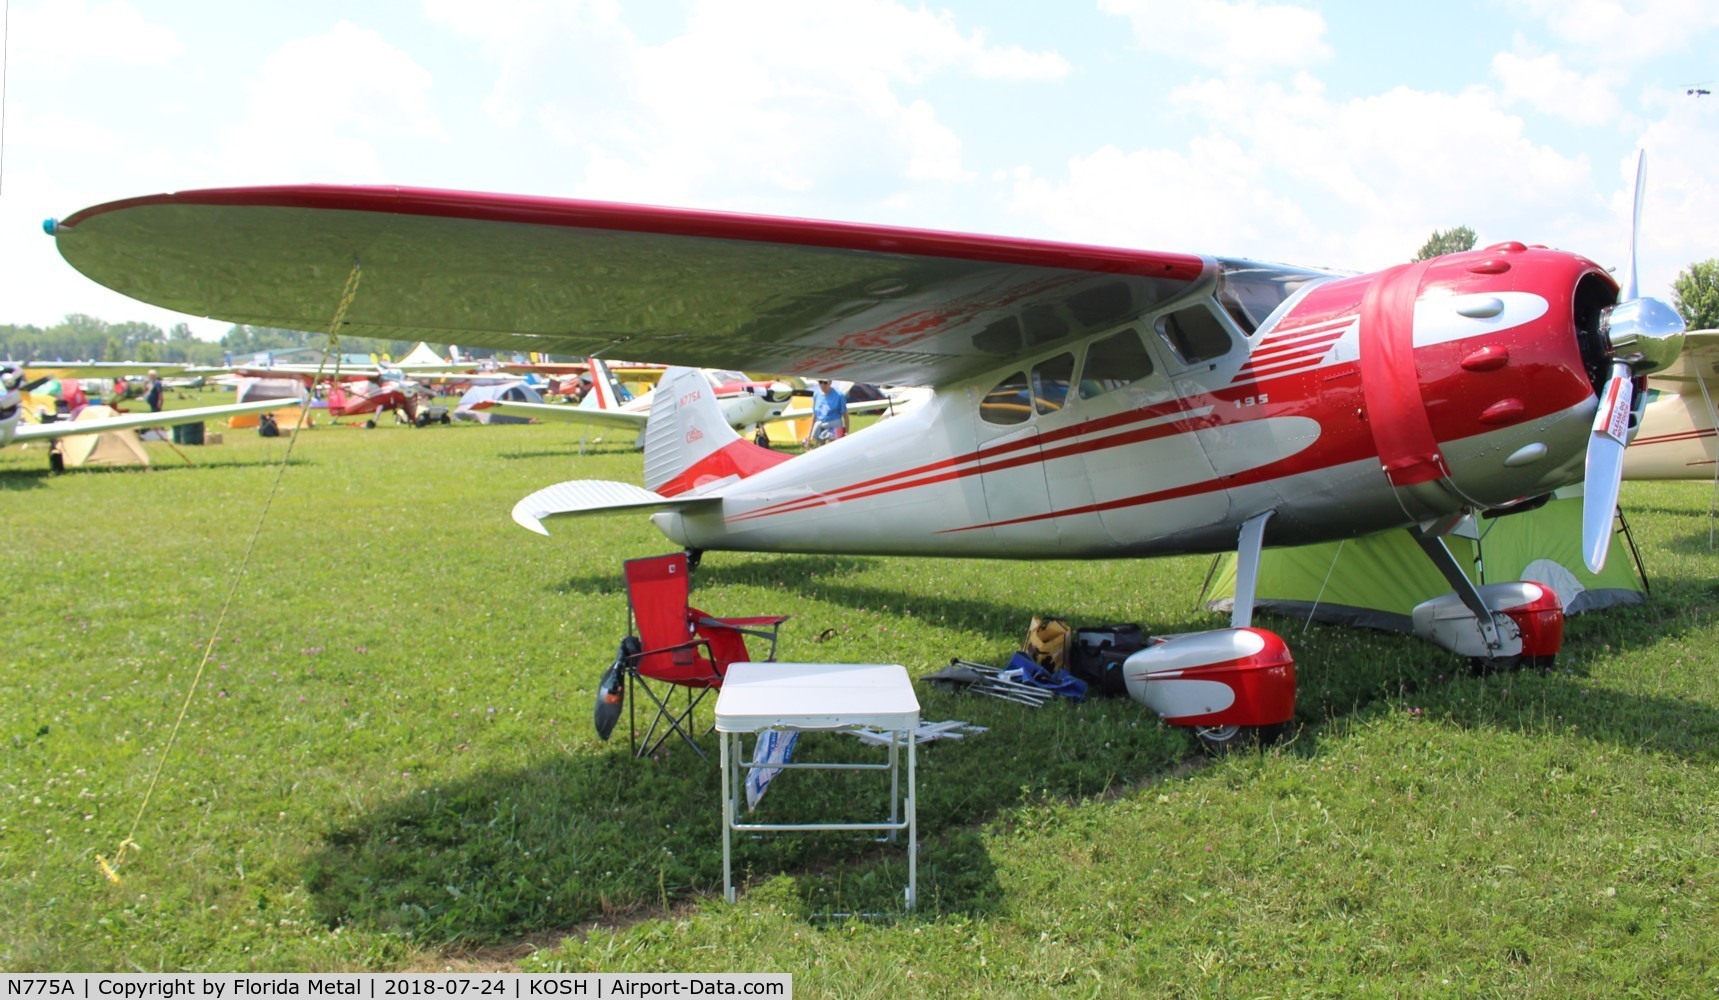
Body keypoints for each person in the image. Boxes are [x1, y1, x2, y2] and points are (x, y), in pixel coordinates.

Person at [803, 378, 849, 449]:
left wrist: (846, 432)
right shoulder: (816, 395)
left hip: (835, 426)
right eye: (820, 382)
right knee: (819, 450)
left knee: (831, 448)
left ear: (830, 382)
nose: (822, 385)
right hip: (820, 427)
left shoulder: (839, 395)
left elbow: (845, 416)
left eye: (825, 383)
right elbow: (814, 415)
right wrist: (809, 434)